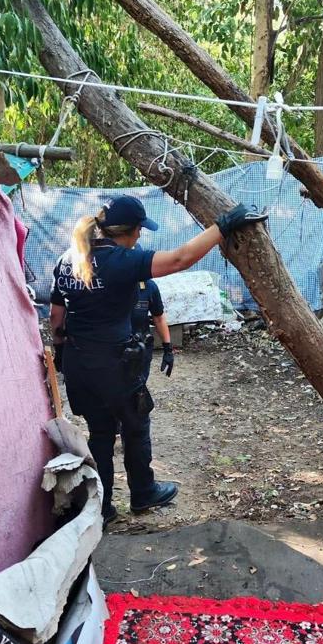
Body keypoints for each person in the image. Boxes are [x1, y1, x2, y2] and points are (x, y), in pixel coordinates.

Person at [50, 195, 265, 523]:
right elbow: (181, 259)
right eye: (139, 231)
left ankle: (102, 508)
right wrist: (223, 226)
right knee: (135, 425)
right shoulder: (121, 260)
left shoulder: (69, 259)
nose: (140, 237)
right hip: (115, 366)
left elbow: (56, 318)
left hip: (79, 365)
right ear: (130, 230)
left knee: (101, 434)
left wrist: (64, 348)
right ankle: (143, 492)